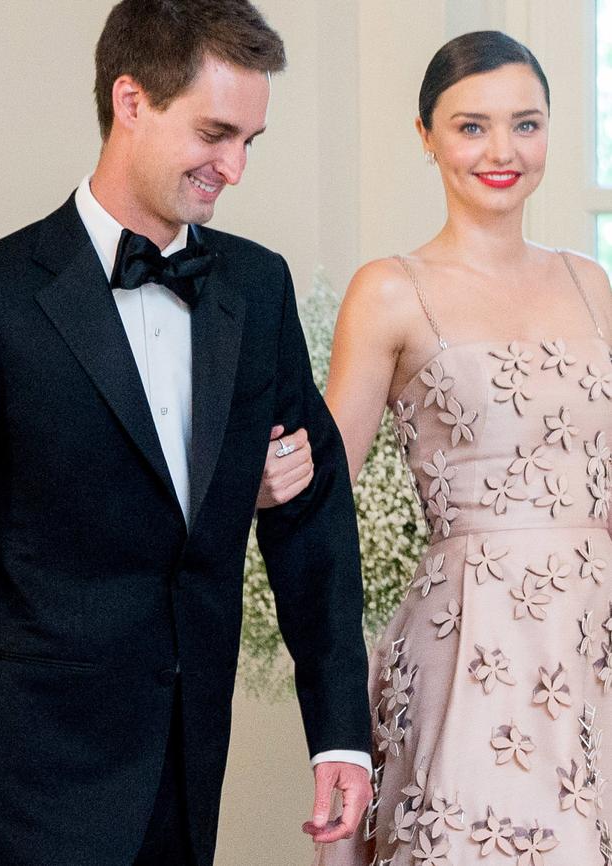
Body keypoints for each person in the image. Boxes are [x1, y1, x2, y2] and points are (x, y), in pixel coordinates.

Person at [0, 2, 374, 865]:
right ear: (132, 100)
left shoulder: (258, 288)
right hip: (28, 779)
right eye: (216, 132)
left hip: (190, 767)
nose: (235, 168)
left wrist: (339, 734)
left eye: (250, 141)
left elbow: (313, 515)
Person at [262, 30, 612, 865]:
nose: (502, 151)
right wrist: (268, 479)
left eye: (526, 124)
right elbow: (324, 487)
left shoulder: (592, 281)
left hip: (595, 641)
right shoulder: (390, 289)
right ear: (426, 135)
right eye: (471, 126)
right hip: (475, 650)